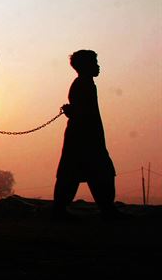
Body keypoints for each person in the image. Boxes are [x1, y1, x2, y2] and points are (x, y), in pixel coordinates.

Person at [52, 50, 122, 221]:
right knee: (100, 172)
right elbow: (84, 112)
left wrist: (72, 111)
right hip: (85, 138)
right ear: (85, 66)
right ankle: (106, 209)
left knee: (73, 173)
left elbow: (80, 110)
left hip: (82, 137)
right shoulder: (83, 84)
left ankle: (61, 209)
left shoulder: (84, 84)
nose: (98, 66)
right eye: (94, 63)